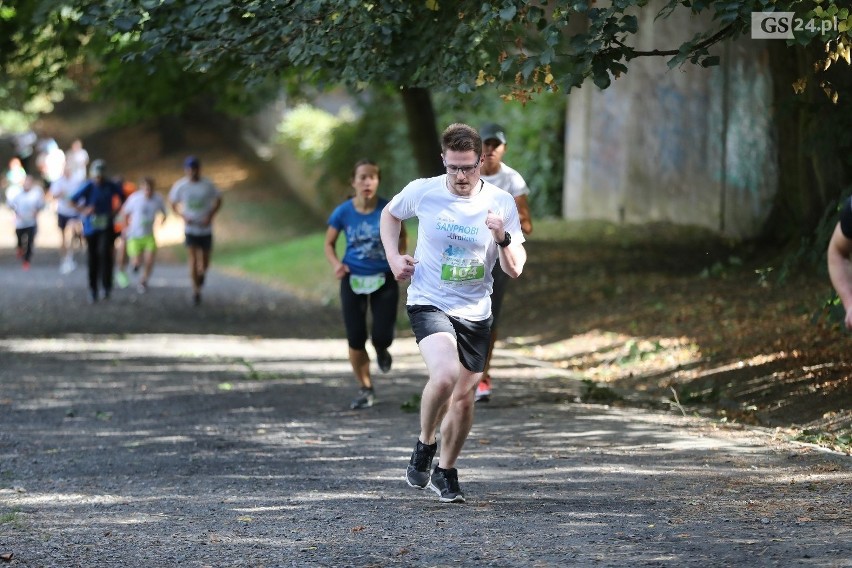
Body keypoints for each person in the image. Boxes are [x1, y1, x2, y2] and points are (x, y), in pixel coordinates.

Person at [380, 123, 527, 503]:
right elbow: (389, 214)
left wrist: (502, 237)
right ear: (443, 160)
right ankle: (424, 444)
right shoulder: (423, 191)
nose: (461, 177)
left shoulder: (501, 203)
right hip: (429, 299)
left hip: (476, 310)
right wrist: (394, 257)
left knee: (464, 398)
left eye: (469, 167)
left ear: (481, 161)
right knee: (444, 375)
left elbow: (515, 268)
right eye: (454, 168)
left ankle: (445, 470)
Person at [324, 159, 407, 410]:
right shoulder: (343, 212)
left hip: (383, 278)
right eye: (362, 177)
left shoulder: (389, 209)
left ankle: (382, 349)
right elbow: (329, 243)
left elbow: (402, 236)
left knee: (382, 335)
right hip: (353, 278)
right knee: (355, 338)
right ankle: (365, 387)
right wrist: (337, 264)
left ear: (378, 181)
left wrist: (398, 261)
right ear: (354, 182)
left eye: (372, 177)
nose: (367, 181)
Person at [475, 123, 535, 403]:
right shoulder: (466, 174)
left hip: (497, 257)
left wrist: (505, 227)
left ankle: (482, 376)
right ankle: (461, 371)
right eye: (485, 144)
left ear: (503, 149)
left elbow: (527, 225)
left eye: (494, 145)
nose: (489, 150)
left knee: (489, 317)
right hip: (464, 254)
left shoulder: (512, 180)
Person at [168, 156, 222, 306]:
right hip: (190, 228)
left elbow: (218, 199)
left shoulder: (207, 184)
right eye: (189, 169)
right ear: (186, 170)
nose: (192, 172)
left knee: (204, 260)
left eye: (194, 168)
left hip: (205, 228)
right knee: (192, 258)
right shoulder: (181, 186)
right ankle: (195, 290)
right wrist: (182, 216)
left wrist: (210, 215)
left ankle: (202, 273)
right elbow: (172, 202)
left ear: (199, 169)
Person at [71, 159, 126, 303]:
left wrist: (115, 211)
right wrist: (84, 210)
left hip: (106, 225)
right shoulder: (88, 186)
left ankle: (106, 286)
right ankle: (93, 288)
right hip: (91, 227)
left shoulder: (110, 185)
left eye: (100, 176)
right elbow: (71, 200)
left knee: (105, 253)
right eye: (96, 176)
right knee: (93, 256)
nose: (98, 179)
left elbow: (122, 196)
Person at [119, 177, 167, 294]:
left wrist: (162, 221)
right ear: (141, 188)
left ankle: (143, 281)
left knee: (150, 260)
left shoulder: (158, 199)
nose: (148, 192)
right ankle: (135, 266)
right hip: (134, 235)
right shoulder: (135, 198)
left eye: (150, 189)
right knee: (137, 260)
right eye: (146, 189)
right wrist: (125, 227)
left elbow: (164, 213)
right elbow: (124, 212)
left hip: (149, 235)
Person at [49, 163, 84, 274]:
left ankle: (70, 255)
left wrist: (78, 206)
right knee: (63, 236)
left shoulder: (76, 181)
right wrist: (60, 194)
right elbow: (52, 195)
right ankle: (65, 258)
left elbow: (81, 196)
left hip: (73, 211)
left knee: (72, 230)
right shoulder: (58, 182)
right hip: (62, 211)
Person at [7, 175, 45, 270]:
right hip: (20, 223)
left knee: (29, 242)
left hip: (31, 222)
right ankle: (20, 249)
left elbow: (41, 205)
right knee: (20, 240)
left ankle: (26, 260)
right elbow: (11, 205)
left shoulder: (36, 194)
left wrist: (36, 212)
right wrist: (16, 213)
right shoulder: (18, 194)